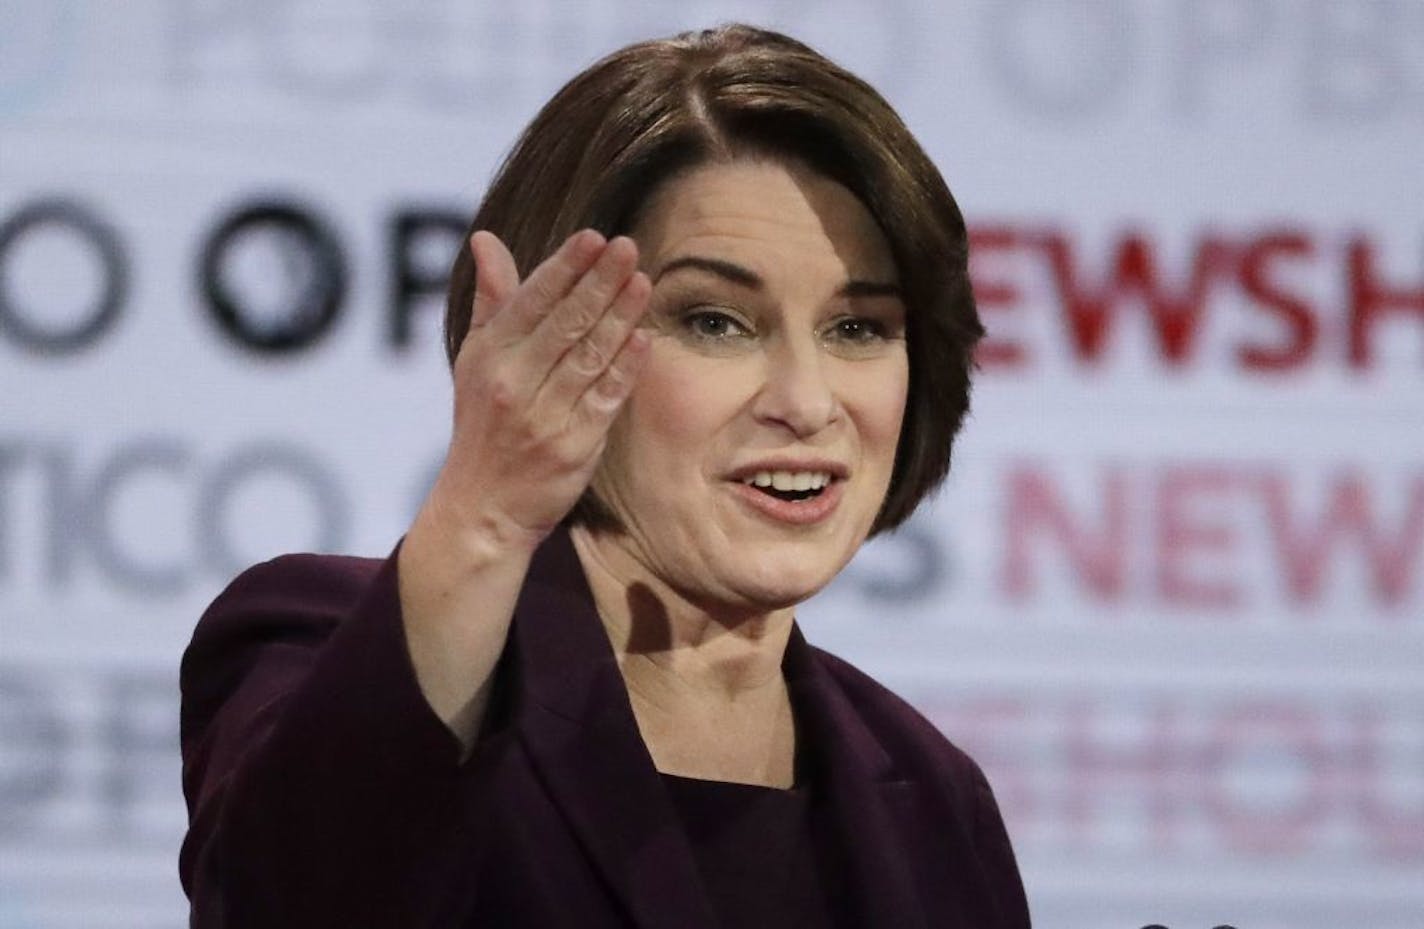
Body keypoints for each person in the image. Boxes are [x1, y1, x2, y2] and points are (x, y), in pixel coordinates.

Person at [178, 23, 1030, 929]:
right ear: (555, 338)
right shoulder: (320, 644)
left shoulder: (935, 796)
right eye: (715, 320)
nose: (806, 400)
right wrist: (486, 516)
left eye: (858, 328)